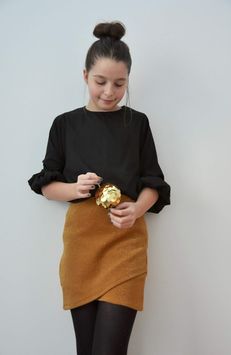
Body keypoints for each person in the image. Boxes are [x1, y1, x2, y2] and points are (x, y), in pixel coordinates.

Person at [28, 21, 171, 355]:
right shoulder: (64, 124)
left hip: (125, 244)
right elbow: (46, 186)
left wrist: (136, 209)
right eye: (100, 82)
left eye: (119, 83)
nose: (110, 92)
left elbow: (155, 183)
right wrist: (75, 188)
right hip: (82, 247)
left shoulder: (137, 123)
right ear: (84, 77)